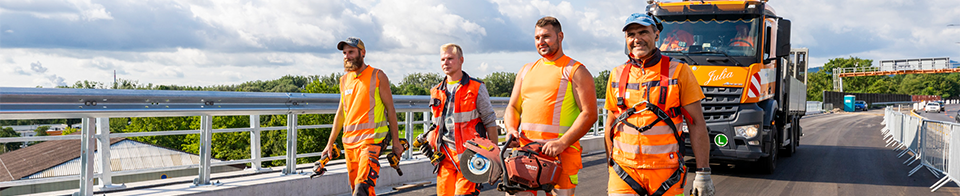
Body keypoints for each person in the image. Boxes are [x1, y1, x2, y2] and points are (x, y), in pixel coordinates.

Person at [604, 13, 715, 196]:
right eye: (631, 35)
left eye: (643, 32)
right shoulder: (616, 74)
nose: (637, 39)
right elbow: (610, 125)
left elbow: (696, 123)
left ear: (656, 35)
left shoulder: (679, 71)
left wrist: (703, 173)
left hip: (666, 172)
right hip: (624, 172)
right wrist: (610, 167)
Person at [503, 16, 597, 196]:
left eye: (546, 36)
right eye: (537, 38)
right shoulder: (526, 70)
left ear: (560, 36)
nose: (541, 42)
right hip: (525, 153)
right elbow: (513, 107)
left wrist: (562, 142)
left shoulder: (576, 70)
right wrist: (511, 129)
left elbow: (590, 114)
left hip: (561, 156)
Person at [322, 37, 403, 196]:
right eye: (344, 53)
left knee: (362, 188)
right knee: (358, 190)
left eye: (351, 52)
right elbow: (340, 114)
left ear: (363, 53)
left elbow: (391, 110)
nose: (347, 56)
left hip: (371, 142)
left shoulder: (378, 75)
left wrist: (396, 142)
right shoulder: (344, 80)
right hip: (350, 144)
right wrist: (329, 143)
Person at [424, 43, 500, 196]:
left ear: (461, 60)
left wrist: (494, 156)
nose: (446, 62)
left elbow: (489, 121)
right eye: (443, 59)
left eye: (450, 58)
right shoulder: (436, 91)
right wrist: (429, 143)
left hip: (471, 155)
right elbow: (436, 125)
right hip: (444, 158)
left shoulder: (476, 87)